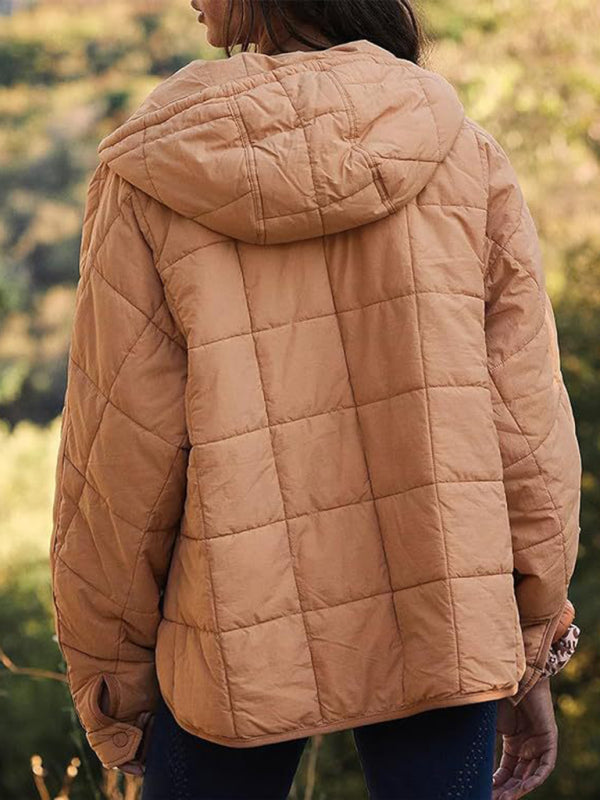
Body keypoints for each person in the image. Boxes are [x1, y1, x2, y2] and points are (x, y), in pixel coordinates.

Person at [48, 1, 582, 798]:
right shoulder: (463, 157)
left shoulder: (152, 173)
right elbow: (529, 433)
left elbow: (119, 461)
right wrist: (531, 641)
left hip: (231, 641)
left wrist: (113, 686)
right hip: (444, 615)